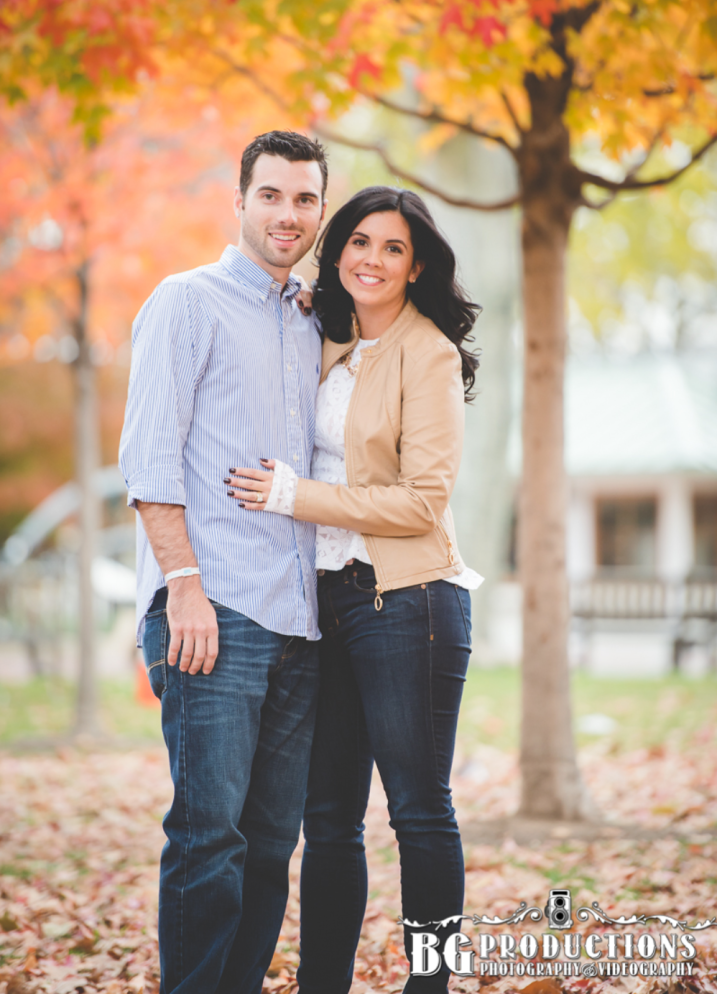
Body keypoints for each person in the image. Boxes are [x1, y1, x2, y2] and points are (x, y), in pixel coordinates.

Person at [227, 185, 483, 994]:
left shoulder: (429, 353)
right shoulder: (326, 341)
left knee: (416, 809)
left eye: (393, 248)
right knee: (327, 819)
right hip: (329, 604)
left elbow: (420, 503)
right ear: (337, 250)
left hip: (410, 602)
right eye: (361, 242)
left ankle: (430, 984)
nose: (373, 259)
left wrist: (292, 495)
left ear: (416, 267)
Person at [118, 130, 328, 994]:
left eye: (304, 199)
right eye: (271, 195)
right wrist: (183, 590)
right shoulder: (187, 301)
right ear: (237, 201)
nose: (287, 214)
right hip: (213, 614)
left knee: (273, 839)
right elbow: (149, 458)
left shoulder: (315, 320)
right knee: (209, 835)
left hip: (299, 623)